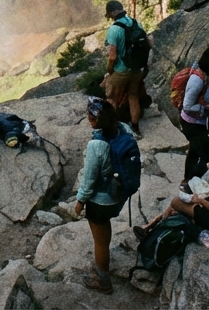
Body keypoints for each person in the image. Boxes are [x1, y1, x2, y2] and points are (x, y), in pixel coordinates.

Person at [74, 97, 131, 294]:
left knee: (100, 242)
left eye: (90, 115)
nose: (88, 117)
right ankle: (103, 258)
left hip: (101, 201)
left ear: (95, 120)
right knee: (104, 235)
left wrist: (79, 202)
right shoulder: (124, 129)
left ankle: (103, 280)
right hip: (120, 194)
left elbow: (89, 180)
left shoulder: (96, 146)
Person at [177, 47, 209, 183]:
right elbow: (187, 105)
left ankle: (186, 179)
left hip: (199, 121)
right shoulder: (197, 80)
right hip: (191, 123)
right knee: (208, 159)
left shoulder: (207, 73)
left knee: (195, 150)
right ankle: (192, 183)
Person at [102, 0, 146, 136]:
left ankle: (113, 129)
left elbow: (113, 57)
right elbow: (148, 42)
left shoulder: (114, 29)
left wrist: (109, 71)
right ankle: (136, 128)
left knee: (111, 98)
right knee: (133, 97)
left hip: (121, 71)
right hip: (136, 69)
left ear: (111, 14)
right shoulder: (135, 23)